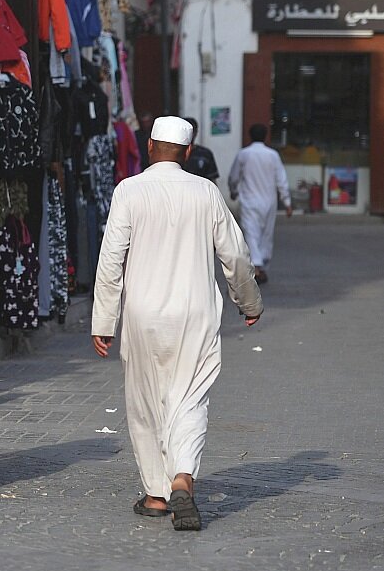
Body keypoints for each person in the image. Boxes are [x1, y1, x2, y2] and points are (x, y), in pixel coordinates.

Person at [92, 116, 263, 531]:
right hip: (196, 313)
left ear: (149, 147)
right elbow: (235, 256)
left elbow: (111, 257)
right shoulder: (205, 191)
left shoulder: (128, 190)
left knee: (145, 400)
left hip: (143, 314)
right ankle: (182, 476)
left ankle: (155, 494)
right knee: (190, 397)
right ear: (188, 153)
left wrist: (104, 319)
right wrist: (249, 300)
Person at [227, 124, 292, 284]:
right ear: (265, 136)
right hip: (269, 201)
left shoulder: (244, 154)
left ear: (250, 136)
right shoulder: (273, 155)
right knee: (266, 234)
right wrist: (287, 201)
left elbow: (234, 177)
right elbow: (281, 179)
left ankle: (256, 266)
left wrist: (233, 191)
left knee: (251, 233)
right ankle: (260, 266)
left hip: (249, 200)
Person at [181, 117, 219, 182]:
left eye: (192, 131)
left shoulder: (205, 154)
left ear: (196, 132)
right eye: (185, 131)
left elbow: (212, 180)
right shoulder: (174, 153)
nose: (189, 134)